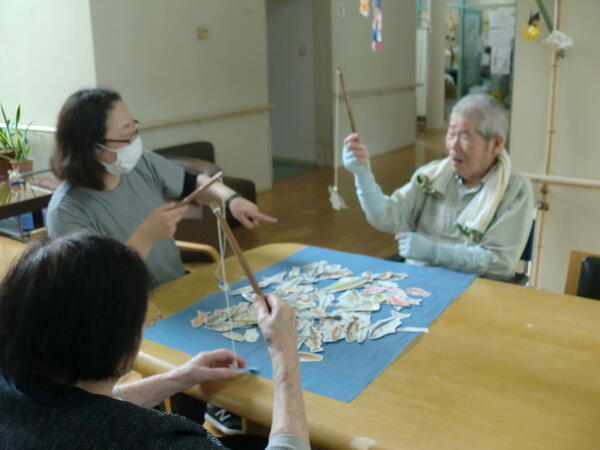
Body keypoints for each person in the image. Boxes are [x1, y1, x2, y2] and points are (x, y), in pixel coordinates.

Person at [0, 233, 309, 450]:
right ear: (116, 346)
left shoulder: (12, 386)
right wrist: (284, 355)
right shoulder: (155, 440)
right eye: (142, 318)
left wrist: (180, 377)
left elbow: (78, 410)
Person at [47, 88, 277, 287]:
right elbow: (95, 287)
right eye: (126, 135)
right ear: (90, 147)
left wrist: (232, 199)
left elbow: (194, 184)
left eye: (134, 127)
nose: (135, 141)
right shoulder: (67, 211)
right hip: (127, 313)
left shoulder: (141, 163)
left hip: (175, 287)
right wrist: (146, 236)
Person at [343, 94, 534, 281]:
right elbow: (387, 217)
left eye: (465, 137)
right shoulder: (432, 176)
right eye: (451, 134)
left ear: (496, 144)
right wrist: (363, 175)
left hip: (476, 290)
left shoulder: (514, 190)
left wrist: (432, 251)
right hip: (418, 279)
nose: (453, 145)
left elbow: (498, 262)